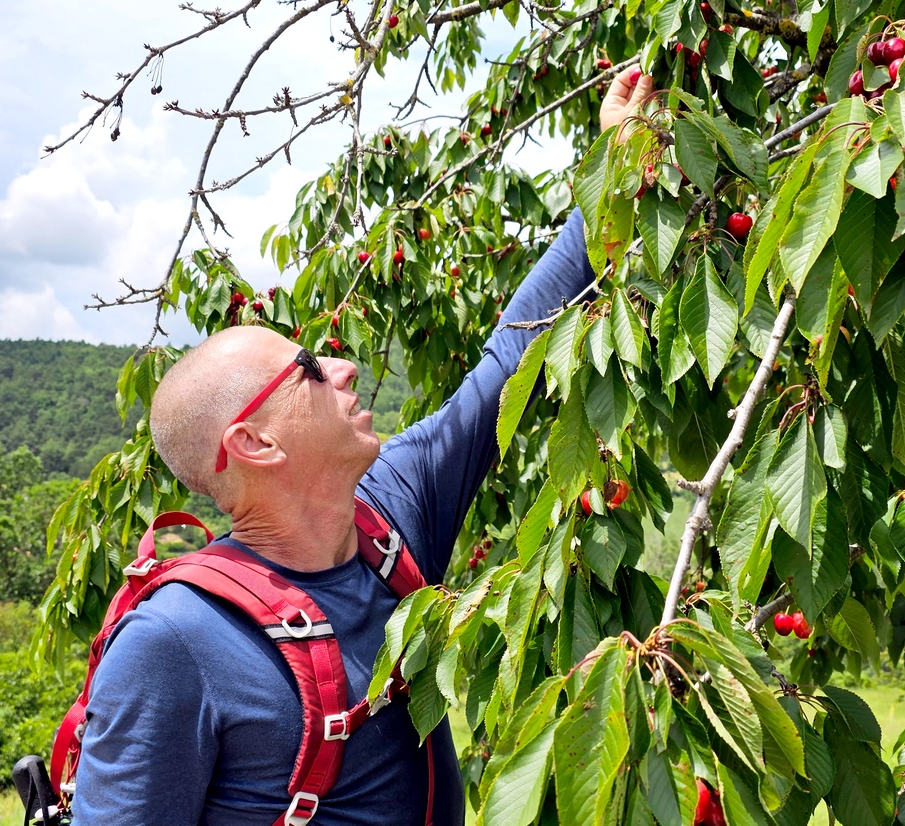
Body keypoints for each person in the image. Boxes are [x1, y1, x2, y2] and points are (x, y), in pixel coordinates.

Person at [69, 66, 655, 825]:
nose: (342, 366)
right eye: (308, 369)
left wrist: (609, 166)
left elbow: (511, 363)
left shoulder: (391, 516)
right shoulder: (175, 642)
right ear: (253, 441)